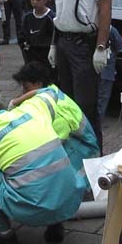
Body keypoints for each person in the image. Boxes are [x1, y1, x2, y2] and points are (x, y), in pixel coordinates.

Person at [0, 96, 84, 244]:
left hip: (33, 212)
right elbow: (48, 93)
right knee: (47, 160)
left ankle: (2, 233)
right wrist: (16, 100)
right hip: (70, 200)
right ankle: (55, 223)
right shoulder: (34, 113)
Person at [47, 0, 114, 152]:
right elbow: (60, 13)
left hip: (85, 48)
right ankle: (76, 157)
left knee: (86, 108)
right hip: (64, 44)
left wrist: (102, 46)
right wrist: (54, 45)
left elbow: (105, 8)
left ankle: (95, 159)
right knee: (67, 107)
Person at [11, 61, 99, 194]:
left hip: (82, 161)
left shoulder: (57, 109)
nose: (23, 93)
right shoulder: (51, 93)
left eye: (26, 88)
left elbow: (50, 145)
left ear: (38, 84)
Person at [19, 0, 55, 69]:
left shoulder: (51, 18)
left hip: (46, 58)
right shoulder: (27, 17)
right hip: (31, 58)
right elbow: (22, 36)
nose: (35, 2)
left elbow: (54, 38)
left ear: (46, 0)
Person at [98, 25, 122, 119]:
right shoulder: (110, 29)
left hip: (88, 71)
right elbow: (120, 47)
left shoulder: (87, 26)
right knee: (101, 101)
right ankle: (96, 126)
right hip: (106, 71)